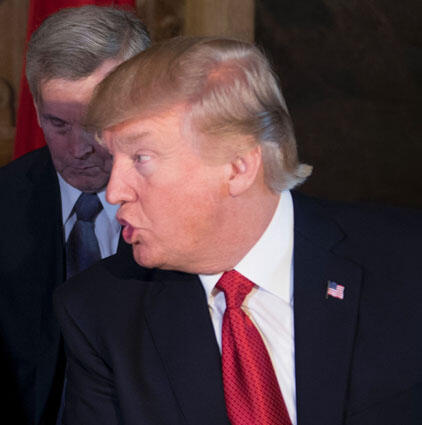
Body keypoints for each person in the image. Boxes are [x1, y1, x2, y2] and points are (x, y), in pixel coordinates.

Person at [54, 36, 422, 425]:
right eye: (114, 159)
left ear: (238, 167)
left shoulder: (407, 261)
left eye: (141, 158)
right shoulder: (99, 312)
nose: (113, 192)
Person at [0, 6, 149, 424]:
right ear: (34, 107)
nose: (78, 148)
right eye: (58, 124)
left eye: (95, 124)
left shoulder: (177, 200)